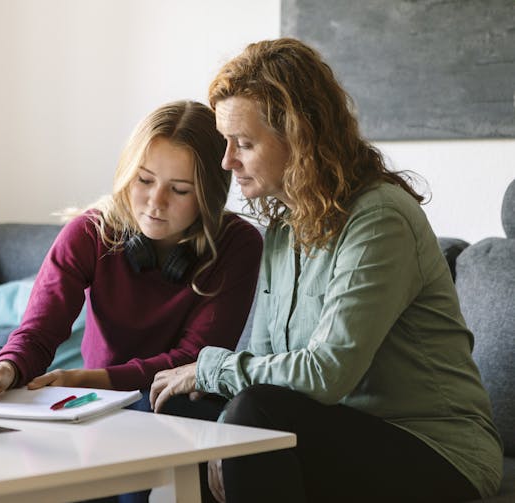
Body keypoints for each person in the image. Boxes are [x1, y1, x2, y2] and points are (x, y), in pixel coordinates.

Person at [149, 39, 503, 502]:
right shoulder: (282, 229)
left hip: (435, 450)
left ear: (300, 137)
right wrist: (223, 427)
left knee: (253, 411)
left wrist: (215, 376)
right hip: (336, 430)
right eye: (225, 142)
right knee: (181, 405)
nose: (226, 161)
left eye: (245, 144)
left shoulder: (378, 219)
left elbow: (327, 373)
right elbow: (264, 363)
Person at [0, 100, 262, 404]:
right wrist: (6, 367)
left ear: (209, 196)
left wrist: (88, 379)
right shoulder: (90, 232)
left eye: (180, 189)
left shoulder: (238, 244)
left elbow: (196, 359)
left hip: (179, 399)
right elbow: (39, 331)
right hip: (97, 398)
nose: (156, 201)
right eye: (144, 180)